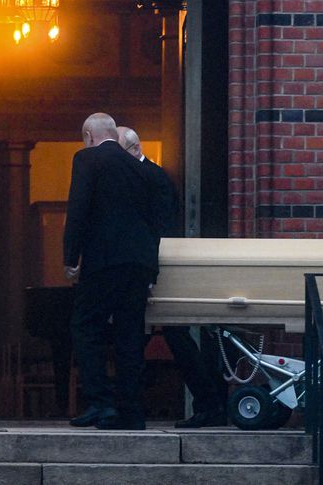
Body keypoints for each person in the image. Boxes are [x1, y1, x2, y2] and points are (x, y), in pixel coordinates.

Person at [117, 126, 228, 428]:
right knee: (160, 339)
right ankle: (210, 403)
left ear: (134, 149)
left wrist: (151, 272)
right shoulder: (150, 176)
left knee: (173, 339)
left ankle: (209, 404)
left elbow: (160, 229)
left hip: (159, 269)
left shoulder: (152, 179)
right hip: (154, 267)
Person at [63, 113, 159, 430]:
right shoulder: (140, 167)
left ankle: (99, 403)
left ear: (90, 135)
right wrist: (152, 269)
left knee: (85, 327)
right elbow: (152, 220)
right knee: (129, 336)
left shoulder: (88, 159)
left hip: (104, 261)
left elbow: (78, 208)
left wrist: (70, 256)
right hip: (139, 263)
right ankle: (132, 412)